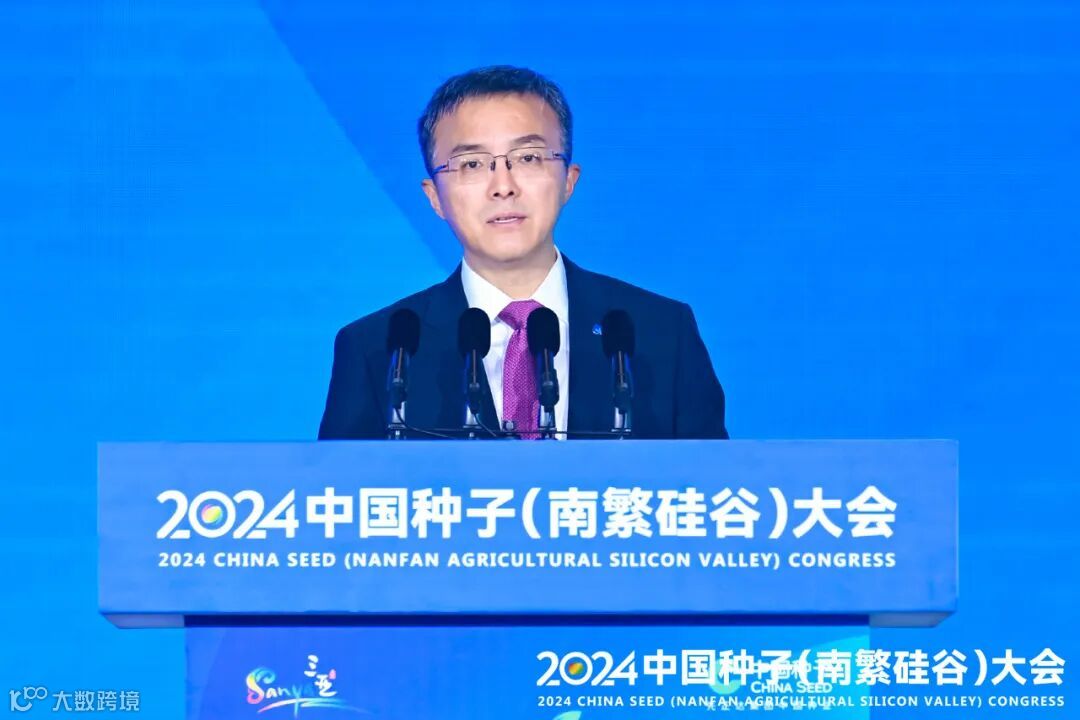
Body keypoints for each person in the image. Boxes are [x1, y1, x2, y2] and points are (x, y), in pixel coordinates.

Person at [319, 65, 727, 440]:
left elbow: (715, 486)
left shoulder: (661, 333)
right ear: (434, 197)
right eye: (472, 164)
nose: (503, 186)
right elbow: (338, 492)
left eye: (528, 158)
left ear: (568, 180)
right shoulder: (379, 350)